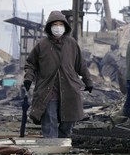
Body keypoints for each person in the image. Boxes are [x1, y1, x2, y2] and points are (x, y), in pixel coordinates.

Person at [23, 11, 93, 139]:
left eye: (60, 24)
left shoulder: (71, 44)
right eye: (55, 24)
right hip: (48, 90)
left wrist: (88, 81)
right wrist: (28, 78)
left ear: (65, 26)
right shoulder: (42, 45)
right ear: (49, 27)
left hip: (69, 88)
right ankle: (51, 144)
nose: (58, 27)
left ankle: (62, 141)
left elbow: (81, 65)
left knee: (69, 119)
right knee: (50, 119)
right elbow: (30, 64)